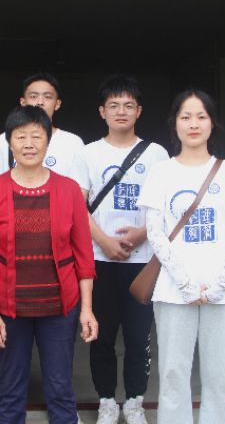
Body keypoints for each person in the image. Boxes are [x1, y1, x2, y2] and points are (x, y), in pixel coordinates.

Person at [137, 89, 225, 424]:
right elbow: (156, 232)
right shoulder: (162, 172)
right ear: (174, 123)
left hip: (224, 292)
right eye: (186, 116)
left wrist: (219, 282)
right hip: (173, 291)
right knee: (173, 374)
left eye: (201, 116)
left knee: (219, 375)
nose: (193, 124)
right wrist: (185, 282)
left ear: (212, 123)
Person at [0, 105, 98, 424]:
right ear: (9, 142)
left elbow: (83, 255)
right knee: (11, 388)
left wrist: (86, 309)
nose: (29, 144)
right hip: (9, 309)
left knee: (60, 387)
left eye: (36, 136)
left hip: (60, 308)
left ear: (48, 141)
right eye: (20, 136)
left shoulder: (68, 190)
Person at [71, 75, 169, 424]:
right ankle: (107, 401)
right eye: (114, 105)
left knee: (139, 337)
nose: (121, 111)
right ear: (102, 111)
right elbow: (77, 206)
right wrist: (104, 241)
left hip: (142, 262)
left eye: (129, 105)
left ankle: (135, 401)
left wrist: (143, 233)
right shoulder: (88, 153)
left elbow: (165, 208)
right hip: (99, 260)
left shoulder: (156, 154)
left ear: (139, 111)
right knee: (102, 337)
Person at [0, 72, 83, 178]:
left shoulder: (73, 143)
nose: (40, 102)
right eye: (33, 96)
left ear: (57, 104)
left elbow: (79, 186)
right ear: (23, 102)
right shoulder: (5, 139)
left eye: (47, 97)